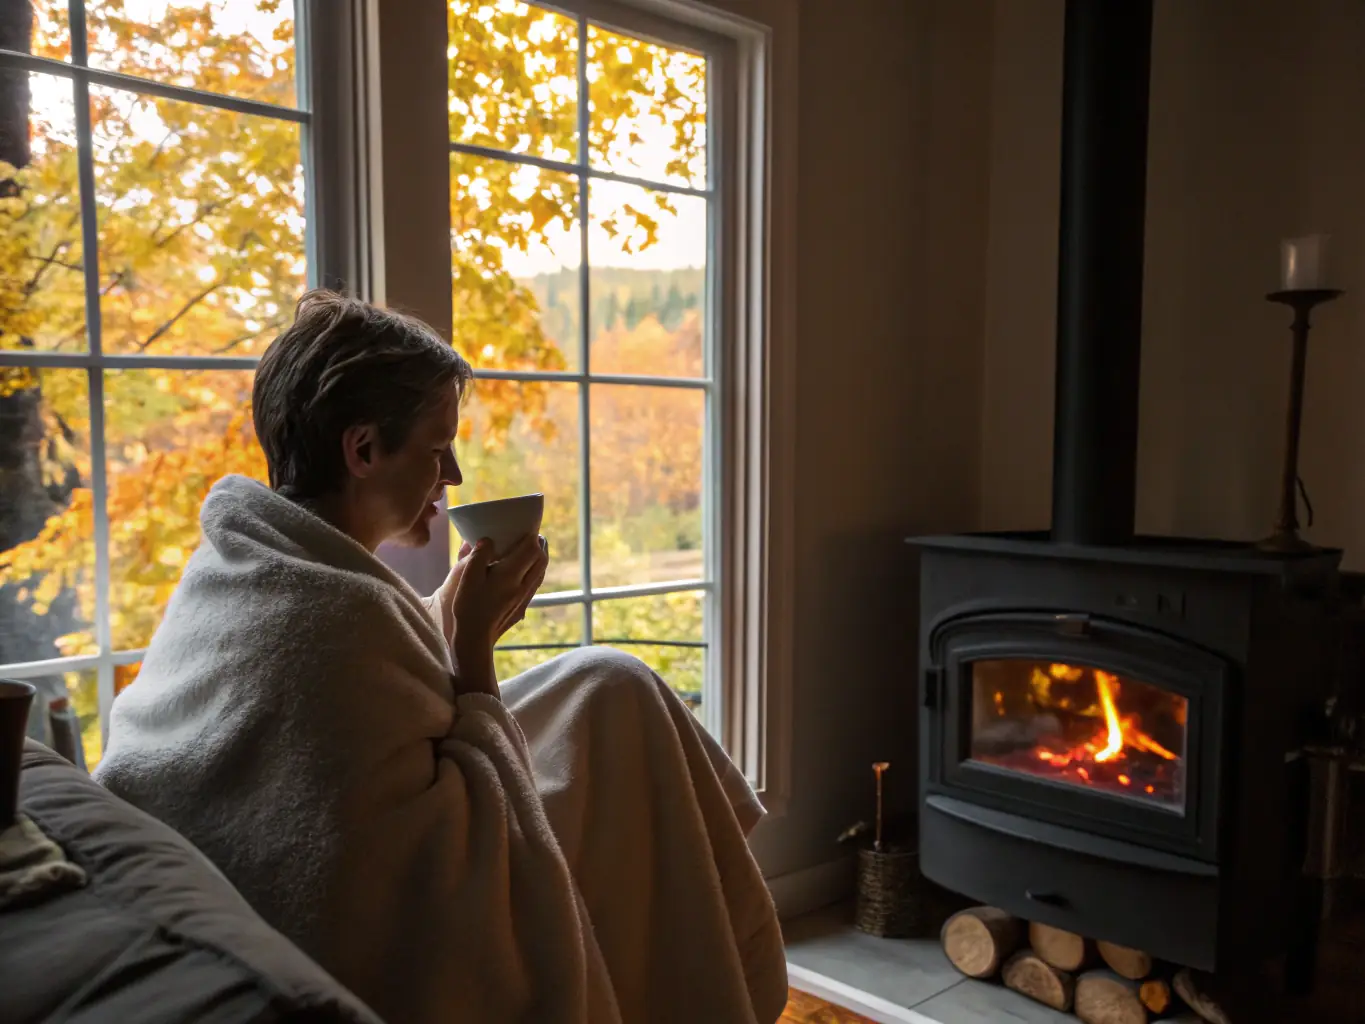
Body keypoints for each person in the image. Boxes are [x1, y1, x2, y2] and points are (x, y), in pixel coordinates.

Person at [94, 291, 787, 1024]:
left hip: (305, 847)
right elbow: (454, 854)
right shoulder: (332, 612)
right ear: (362, 450)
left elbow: (371, 703)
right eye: (435, 447)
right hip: (368, 894)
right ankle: (703, 965)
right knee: (627, 755)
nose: (450, 475)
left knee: (607, 682)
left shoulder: (253, 564)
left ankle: (702, 921)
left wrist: (455, 623)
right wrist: (473, 648)